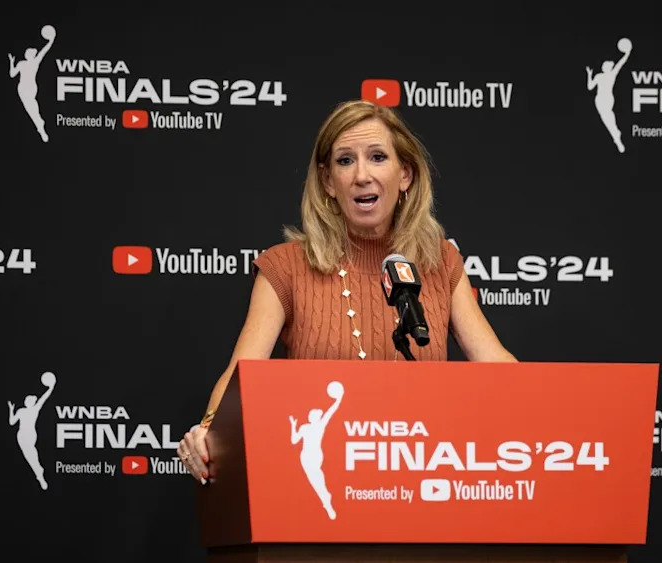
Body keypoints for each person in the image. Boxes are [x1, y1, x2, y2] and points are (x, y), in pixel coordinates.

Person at [176, 99, 517, 483]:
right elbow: (238, 377)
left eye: (376, 157)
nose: (361, 175)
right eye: (344, 161)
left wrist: (549, 419)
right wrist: (207, 430)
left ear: (404, 174)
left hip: (419, 481)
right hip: (317, 485)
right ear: (327, 181)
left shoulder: (439, 262)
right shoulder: (285, 266)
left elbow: (499, 369)